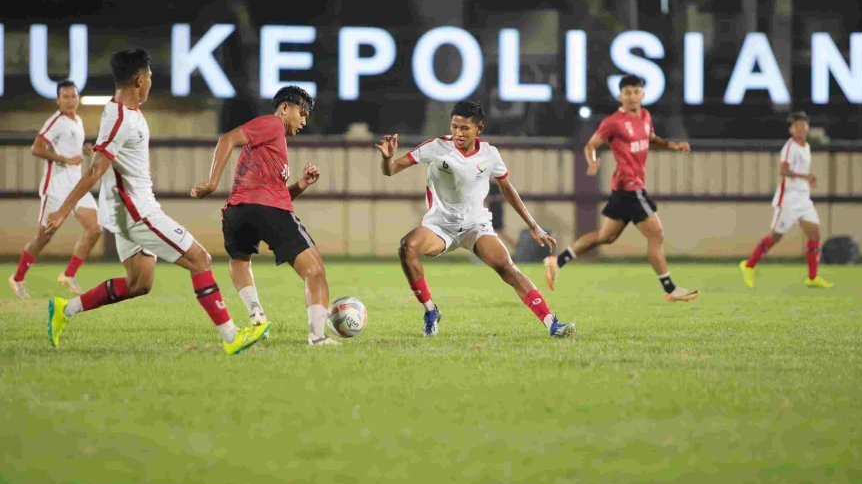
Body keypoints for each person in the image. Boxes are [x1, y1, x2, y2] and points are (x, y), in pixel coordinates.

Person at [44, 48, 269, 355]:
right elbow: (96, 169)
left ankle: (64, 310)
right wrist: (62, 210)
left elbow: (109, 152)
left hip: (126, 208)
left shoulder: (122, 112)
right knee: (199, 259)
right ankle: (232, 337)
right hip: (136, 211)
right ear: (139, 80)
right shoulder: (122, 117)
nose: (151, 82)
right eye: (149, 77)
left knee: (139, 283)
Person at [377, 100, 575, 339]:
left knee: (508, 268)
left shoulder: (490, 154)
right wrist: (387, 158)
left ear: (478, 129)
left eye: (464, 128)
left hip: (475, 225)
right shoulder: (436, 147)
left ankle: (552, 323)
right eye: (454, 127)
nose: (458, 133)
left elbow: (507, 188)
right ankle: (430, 310)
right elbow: (391, 170)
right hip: (439, 226)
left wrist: (533, 225)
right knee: (407, 247)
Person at [191, 85, 339, 346]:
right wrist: (212, 183)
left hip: (237, 211)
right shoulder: (272, 125)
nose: (304, 121)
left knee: (239, 259)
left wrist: (301, 184)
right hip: (265, 210)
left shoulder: (271, 145)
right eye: (302, 113)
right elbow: (227, 139)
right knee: (315, 272)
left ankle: (256, 313)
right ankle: (317, 337)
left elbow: (273, 193)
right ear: (284, 108)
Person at [544, 74, 699, 302]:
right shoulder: (613, 122)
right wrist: (592, 160)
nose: (632, 96)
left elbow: (651, 138)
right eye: (627, 92)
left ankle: (557, 261)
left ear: (643, 94)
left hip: (624, 190)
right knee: (657, 234)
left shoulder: (645, 116)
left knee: (605, 237)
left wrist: (672, 145)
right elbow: (591, 145)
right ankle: (670, 289)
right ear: (620, 95)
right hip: (629, 187)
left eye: (636, 92)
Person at [8, 80, 102, 298]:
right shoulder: (56, 121)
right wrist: (64, 159)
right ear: (58, 100)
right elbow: (36, 148)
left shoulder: (77, 121)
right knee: (44, 237)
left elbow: (72, 151)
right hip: (56, 187)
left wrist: (84, 150)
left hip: (75, 186)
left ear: (78, 98)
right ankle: (18, 278)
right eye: (65, 96)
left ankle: (68, 275)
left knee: (95, 229)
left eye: (73, 96)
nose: (70, 100)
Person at [739, 111, 834, 289]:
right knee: (775, 236)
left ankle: (812, 277)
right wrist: (805, 176)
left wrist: (806, 180)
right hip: (789, 199)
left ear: (807, 127)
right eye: (796, 126)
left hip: (803, 199)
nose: (800, 128)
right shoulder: (790, 147)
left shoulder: (806, 146)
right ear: (791, 129)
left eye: (803, 125)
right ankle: (748, 265)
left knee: (815, 234)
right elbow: (783, 170)